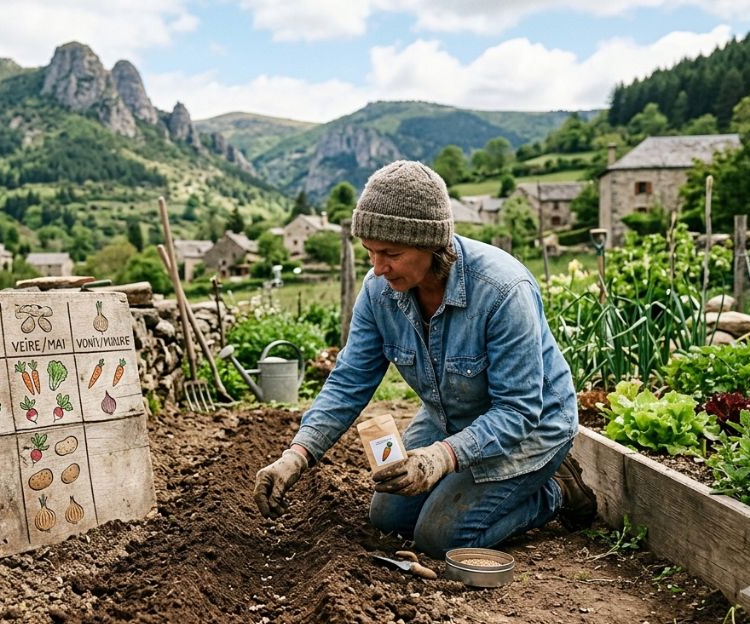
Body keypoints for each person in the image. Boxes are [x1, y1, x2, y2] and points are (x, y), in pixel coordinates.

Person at [252, 160, 596, 559]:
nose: (378, 268)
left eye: (390, 253)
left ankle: (553, 491)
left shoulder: (503, 291)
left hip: (531, 429)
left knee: (440, 538)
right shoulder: (379, 292)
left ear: (432, 244)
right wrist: (296, 455)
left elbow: (519, 411)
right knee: (388, 517)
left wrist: (440, 457)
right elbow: (349, 379)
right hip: (449, 418)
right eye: (369, 252)